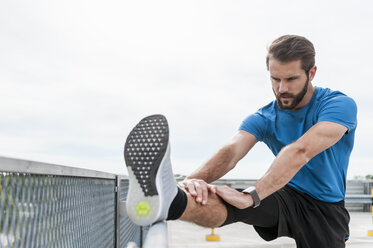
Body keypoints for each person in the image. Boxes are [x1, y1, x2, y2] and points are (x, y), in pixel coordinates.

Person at [124, 35, 357, 248]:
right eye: (275, 79)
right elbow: (231, 151)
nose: (281, 88)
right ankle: (171, 200)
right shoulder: (265, 117)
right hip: (285, 192)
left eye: (291, 79)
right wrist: (190, 182)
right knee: (231, 203)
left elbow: (301, 151)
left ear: (312, 72)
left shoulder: (338, 105)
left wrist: (252, 195)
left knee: (245, 199)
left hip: (326, 206)